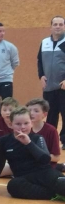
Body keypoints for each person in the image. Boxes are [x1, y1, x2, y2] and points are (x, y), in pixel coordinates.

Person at [0, 107, 65, 200]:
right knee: (13, 186)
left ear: (31, 123)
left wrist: (29, 143)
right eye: (18, 124)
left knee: (61, 184)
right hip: (24, 177)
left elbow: (46, 160)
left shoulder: (37, 138)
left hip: (44, 174)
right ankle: (53, 194)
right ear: (11, 125)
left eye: (26, 123)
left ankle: (55, 191)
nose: (22, 127)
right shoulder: (4, 141)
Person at [37, 15, 65, 149]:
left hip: (63, 86)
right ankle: (50, 141)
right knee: (50, 115)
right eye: (55, 24)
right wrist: (41, 76)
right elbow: (39, 61)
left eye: (60, 24)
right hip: (48, 87)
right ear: (51, 27)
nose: (58, 27)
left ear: (64, 26)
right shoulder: (44, 42)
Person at [26, 98, 61, 164]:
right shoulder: (24, 128)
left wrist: (39, 155)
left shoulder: (51, 130)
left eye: (36, 111)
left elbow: (57, 157)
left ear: (44, 114)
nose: (31, 113)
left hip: (45, 166)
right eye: (29, 110)